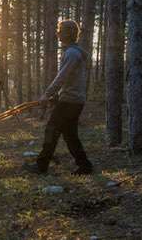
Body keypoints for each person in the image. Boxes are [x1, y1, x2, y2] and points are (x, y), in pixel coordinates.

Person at [25, 20, 93, 175]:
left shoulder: (72, 53)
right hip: (73, 100)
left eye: (60, 30)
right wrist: (55, 95)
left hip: (70, 101)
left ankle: (41, 166)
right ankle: (85, 166)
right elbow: (68, 79)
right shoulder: (73, 52)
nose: (57, 33)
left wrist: (47, 94)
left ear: (68, 33)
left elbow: (61, 78)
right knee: (70, 135)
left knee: (51, 130)